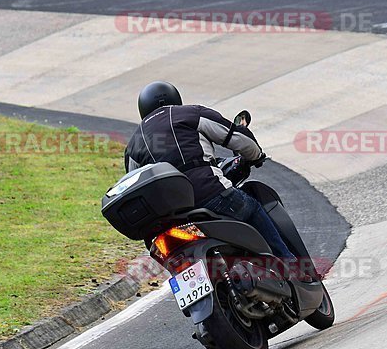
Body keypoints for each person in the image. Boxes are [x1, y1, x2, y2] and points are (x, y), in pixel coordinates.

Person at [124, 81, 297, 264]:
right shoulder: (191, 114)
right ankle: (289, 263)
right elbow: (237, 137)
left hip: (167, 221)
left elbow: (136, 184)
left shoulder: (133, 146)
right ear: (175, 99)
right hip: (210, 195)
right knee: (252, 209)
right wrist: (256, 155)